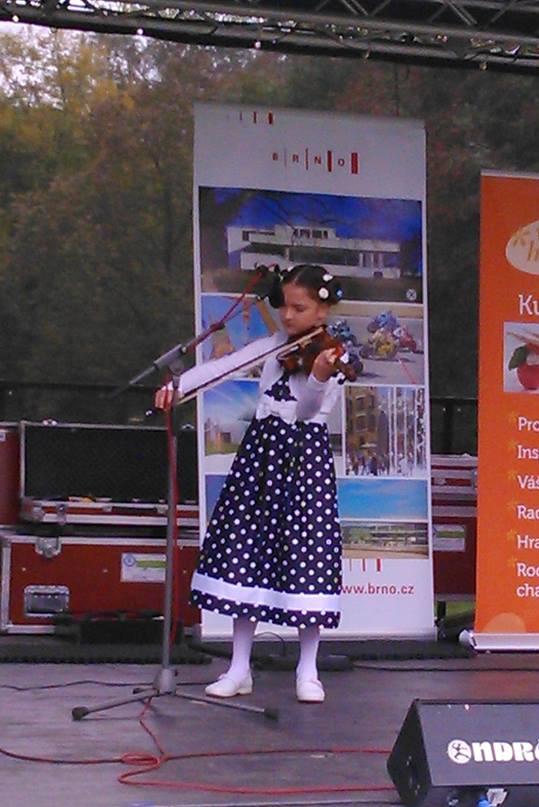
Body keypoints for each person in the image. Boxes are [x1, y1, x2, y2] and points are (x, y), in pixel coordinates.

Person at [155, 264, 345, 703]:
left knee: (306, 556)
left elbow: (306, 411)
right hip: (261, 456)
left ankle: (308, 669)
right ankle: (239, 667)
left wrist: (317, 375)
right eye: (285, 306)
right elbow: (228, 364)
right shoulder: (277, 344)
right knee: (245, 552)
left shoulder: (332, 355)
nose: (288, 316)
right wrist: (178, 386)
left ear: (322, 309)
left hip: (303, 461)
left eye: (300, 308)